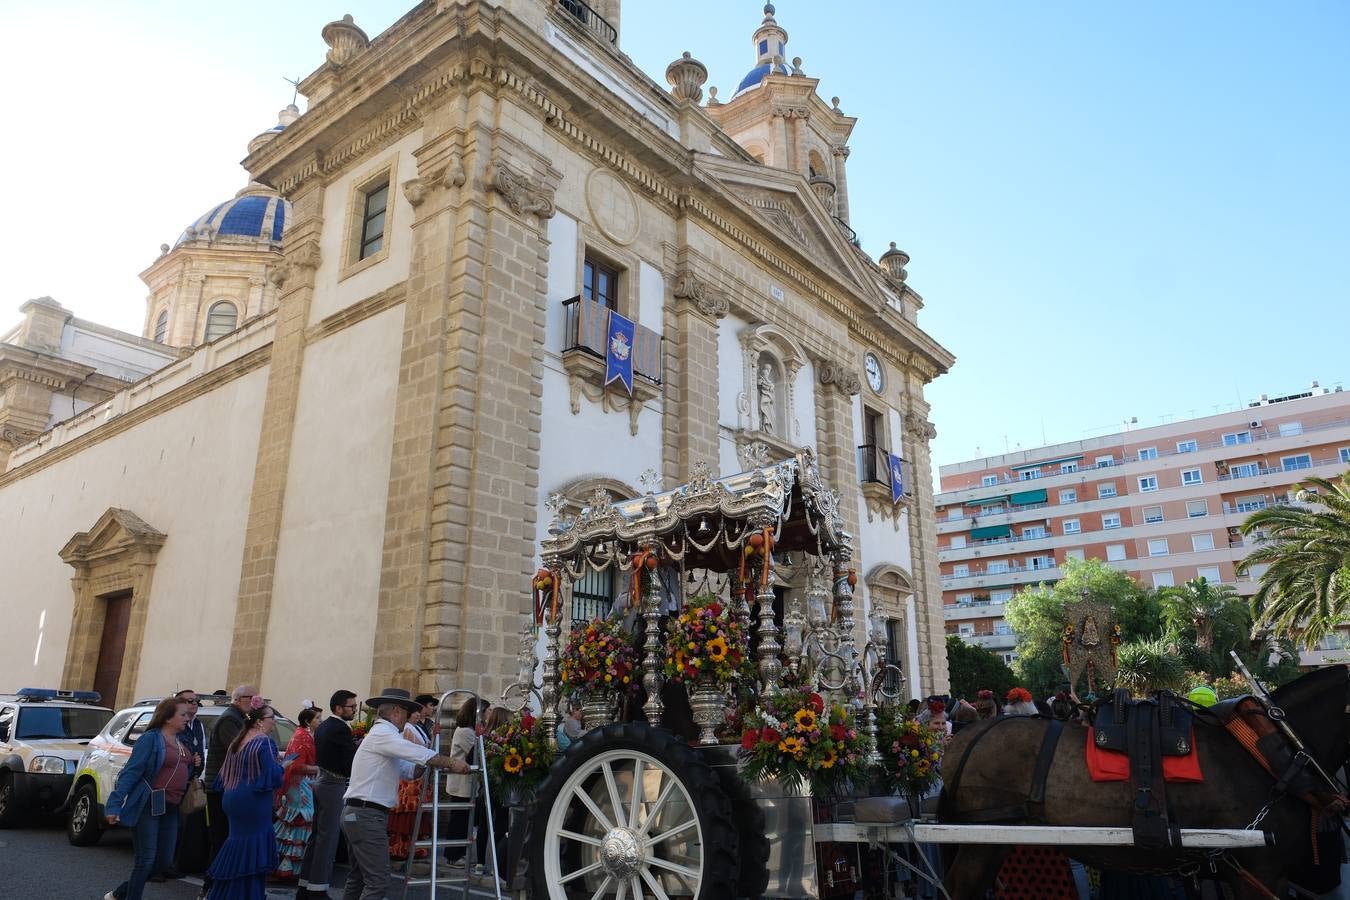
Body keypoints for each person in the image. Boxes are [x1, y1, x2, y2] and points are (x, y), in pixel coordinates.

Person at [341, 688, 468, 900]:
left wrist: (425, 763)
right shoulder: (383, 734)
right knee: (378, 881)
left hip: (360, 813)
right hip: (366, 815)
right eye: (407, 712)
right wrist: (451, 762)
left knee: (359, 877)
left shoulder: (384, 735)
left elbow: (408, 770)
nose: (408, 717)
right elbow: (415, 753)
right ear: (397, 711)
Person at [102, 696, 193, 900]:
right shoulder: (151, 739)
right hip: (149, 804)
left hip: (171, 807)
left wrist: (193, 762)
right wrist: (114, 805)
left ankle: (119, 894)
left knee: (163, 862)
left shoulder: (181, 741)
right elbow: (131, 772)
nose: (187, 718)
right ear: (168, 717)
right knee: (146, 860)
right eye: (183, 715)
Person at [206, 697, 284, 899]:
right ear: (259, 721)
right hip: (253, 800)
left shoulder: (238, 740)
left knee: (237, 845)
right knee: (253, 850)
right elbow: (273, 776)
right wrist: (284, 767)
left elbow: (225, 773)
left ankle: (226, 894)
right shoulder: (264, 741)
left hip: (232, 797)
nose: (274, 722)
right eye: (271, 718)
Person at [297, 690, 359, 900]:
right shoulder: (340, 728)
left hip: (321, 781)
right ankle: (318, 889)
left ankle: (305, 886)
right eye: (351, 706)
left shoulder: (324, 726)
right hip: (333, 783)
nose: (354, 710)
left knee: (317, 837)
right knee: (328, 839)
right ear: (339, 708)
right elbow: (349, 763)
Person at [199, 684, 256, 900]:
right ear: (239, 699)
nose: (255, 701)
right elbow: (239, 748)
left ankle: (219, 886)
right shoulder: (230, 719)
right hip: (221, 786)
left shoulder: (238, 718)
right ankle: (210, 886)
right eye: (252, 697)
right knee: (222, 838)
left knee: (227, 838)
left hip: (228, 785)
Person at [274, 707, 320, 882]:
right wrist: (317, 769)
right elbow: (296, 765)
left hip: (300, 784)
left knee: (293, 823)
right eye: (318, 718)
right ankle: (291, 868)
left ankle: (288, 865)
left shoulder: (303, 734)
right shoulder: (302, 737)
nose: (321, 721)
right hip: (300, 785)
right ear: (308, 721)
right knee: (300, 821)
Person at [444, 697, 488, 867]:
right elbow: (476, 753)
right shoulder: (465, 732)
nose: (486, 715)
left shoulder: (469, 731)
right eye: (485, 711)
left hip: (467, 782)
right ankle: (453, 855)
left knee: (464, 819)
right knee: (459, 820)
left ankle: (459, 852)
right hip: (461, 783)